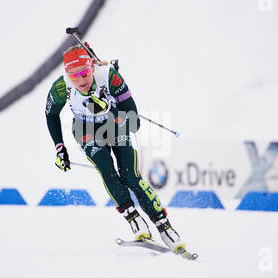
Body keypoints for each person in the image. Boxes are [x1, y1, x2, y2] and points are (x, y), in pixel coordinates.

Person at [45, 44, 194, 258]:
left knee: (131, 177)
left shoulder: (110, 78)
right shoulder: (61, 87)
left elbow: (134, 123)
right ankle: (135, 220)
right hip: (85, 129)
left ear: (92, 67)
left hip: (115, 125)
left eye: (85, 73)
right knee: (107, 170)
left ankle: (165, 227)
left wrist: (109, 108)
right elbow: (50, 115)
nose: (81, 80)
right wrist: (59, 147)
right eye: (73, 75)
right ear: (67, 75)